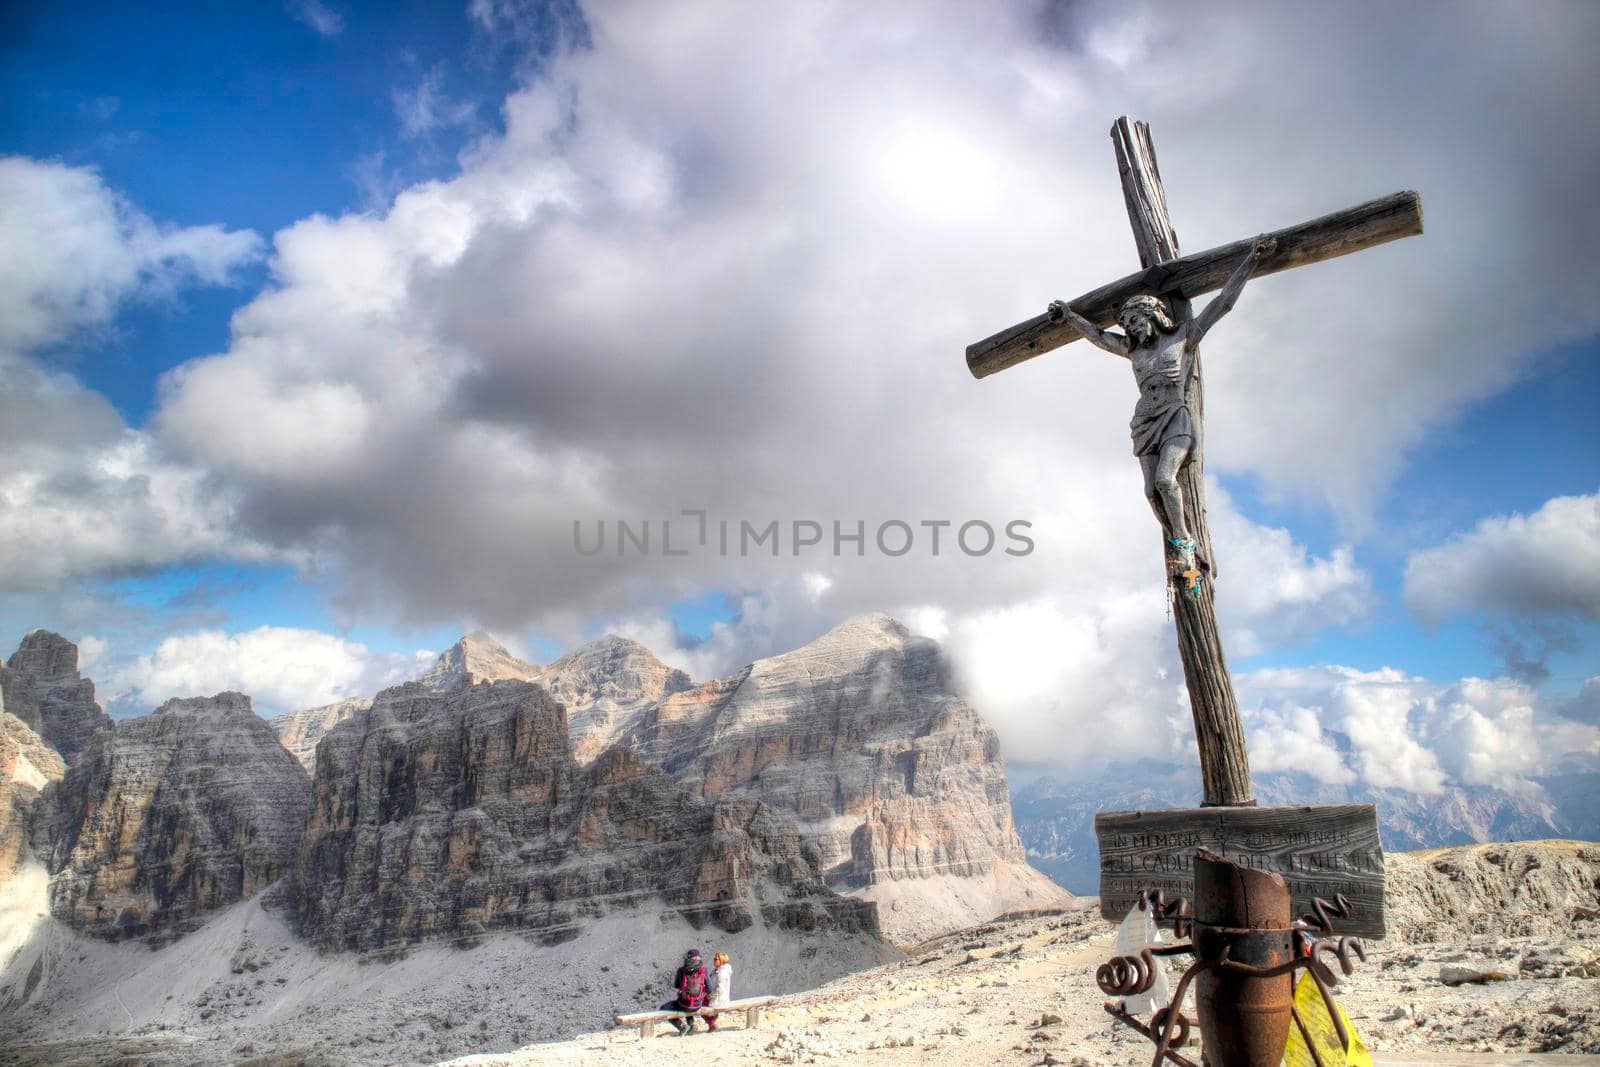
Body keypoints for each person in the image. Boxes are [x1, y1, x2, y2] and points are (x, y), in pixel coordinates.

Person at [1047, 237, 1271, 583]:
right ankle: (1177, 540)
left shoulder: (1183, 337)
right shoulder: (1132, 350)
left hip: (1174, 418)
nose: (1132, 327)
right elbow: (1094, 335)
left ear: (1155, 316)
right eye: (1128, 323)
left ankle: (1184, 541)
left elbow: (1223, 303)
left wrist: (1250, 261)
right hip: (1144, 422)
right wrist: (1069, 316)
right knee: (1151, 491)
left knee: (1167, 480)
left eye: (1137, 319)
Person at [660, 948, 709, 1035]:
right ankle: (691, 1024)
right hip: (698, 1004)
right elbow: (710, 989)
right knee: (689, 1004)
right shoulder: (703, 970)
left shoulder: (681, 970)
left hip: (684, 1004)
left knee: (664, 1008)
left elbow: (676, 985)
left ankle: (682, 1026)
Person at [705, 951, 732, 1032]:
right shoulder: (718, 970)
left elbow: (720, 989)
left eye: (716, 959)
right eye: (714, 958)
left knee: (700, 1006)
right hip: (720, 997)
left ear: (722, 961)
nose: (714, 960)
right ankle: (712, 1023)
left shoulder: (722, 972)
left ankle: (712, 1023)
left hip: (719, 1000)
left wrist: (710, 996)